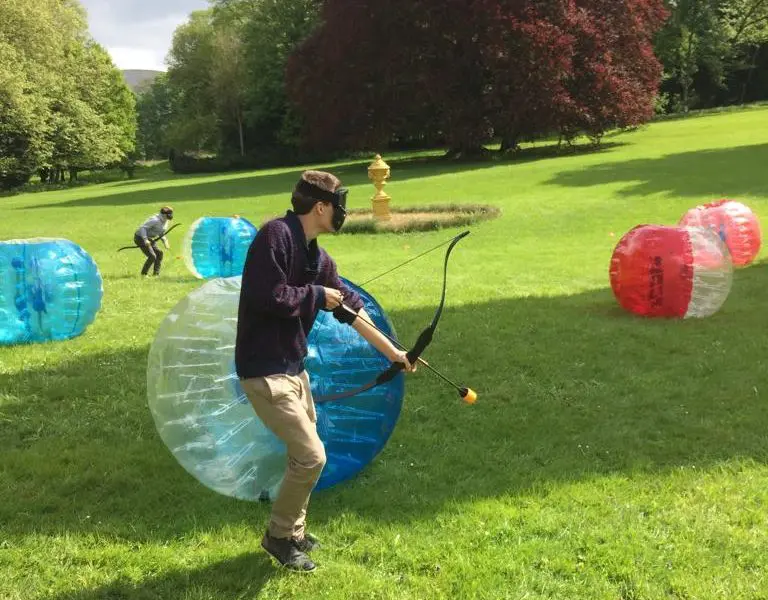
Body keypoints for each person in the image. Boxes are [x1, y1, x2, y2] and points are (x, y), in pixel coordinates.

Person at [235, 170, 416, 572]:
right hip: (264, 369)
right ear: (320, 207)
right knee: (311, 456)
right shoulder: (275, 236)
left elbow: (350, 309)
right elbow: (268, 296)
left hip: (293, 369)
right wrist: (318, 295)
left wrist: (395, 353)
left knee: (304, 456)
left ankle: (294, 532)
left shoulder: (317, 257)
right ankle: (279, 537)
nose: (343, 212)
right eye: (339, 205)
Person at [134, 206, 173, 277]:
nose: (170, 216)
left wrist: (164, 240)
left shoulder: (165, 221)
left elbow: (160, 232)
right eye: (168, 214)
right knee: (152, 256)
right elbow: (142, 228)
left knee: (159, 254)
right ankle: (144, 274)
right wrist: (145, 239)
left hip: (149, 238)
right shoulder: (155, 220)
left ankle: (156, 274)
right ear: (164, 214)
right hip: (140, 237)